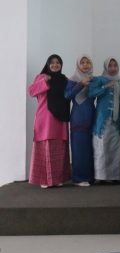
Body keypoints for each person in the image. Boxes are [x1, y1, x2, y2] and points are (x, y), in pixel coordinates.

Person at [28, 54, 71, 188]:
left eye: (58, 62)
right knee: (45, 148)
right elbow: (31, 91)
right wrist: (44, 82)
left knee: (59, 148)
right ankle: (44, 180)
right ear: (47, 64)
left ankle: (58, 179)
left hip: (60, 118)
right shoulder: (41, 77)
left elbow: (69, 95)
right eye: (52, 62)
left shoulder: (64, 79)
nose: (55, 65)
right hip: (45, 118)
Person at [89, 58, 120, 184]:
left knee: (115, 147)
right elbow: (91, 93)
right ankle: (101, 176)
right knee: (102, 147)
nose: (113, 68)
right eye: (110, 65)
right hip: (103, 118)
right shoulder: (99, 79)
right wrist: (105, 86)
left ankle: (114, 176)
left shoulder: (119, 81)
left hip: (116, 120)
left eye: (115, 65)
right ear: (106, 67)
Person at [65, 55, 95, 186]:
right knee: (79, 148)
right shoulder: (73, 79)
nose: (85, 65)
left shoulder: (93, 79)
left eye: (88, 62)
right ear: (78, 65)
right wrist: (81, 84)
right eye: (82, 62)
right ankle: (79, 178)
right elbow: (67, 95)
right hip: (78, 117)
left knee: (90, 148)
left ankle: (89, 177)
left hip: (91, 115)